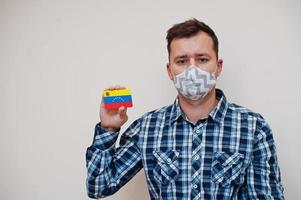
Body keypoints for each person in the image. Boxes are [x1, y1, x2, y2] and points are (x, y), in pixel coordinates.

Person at [85, 18, 285, 199]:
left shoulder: (253, 127)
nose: (192, 70)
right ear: (170, 70)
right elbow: (99, 186)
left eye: (202, 59)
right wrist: (108, 129)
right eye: (182, 61)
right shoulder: (147, 128)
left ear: (219, 66)